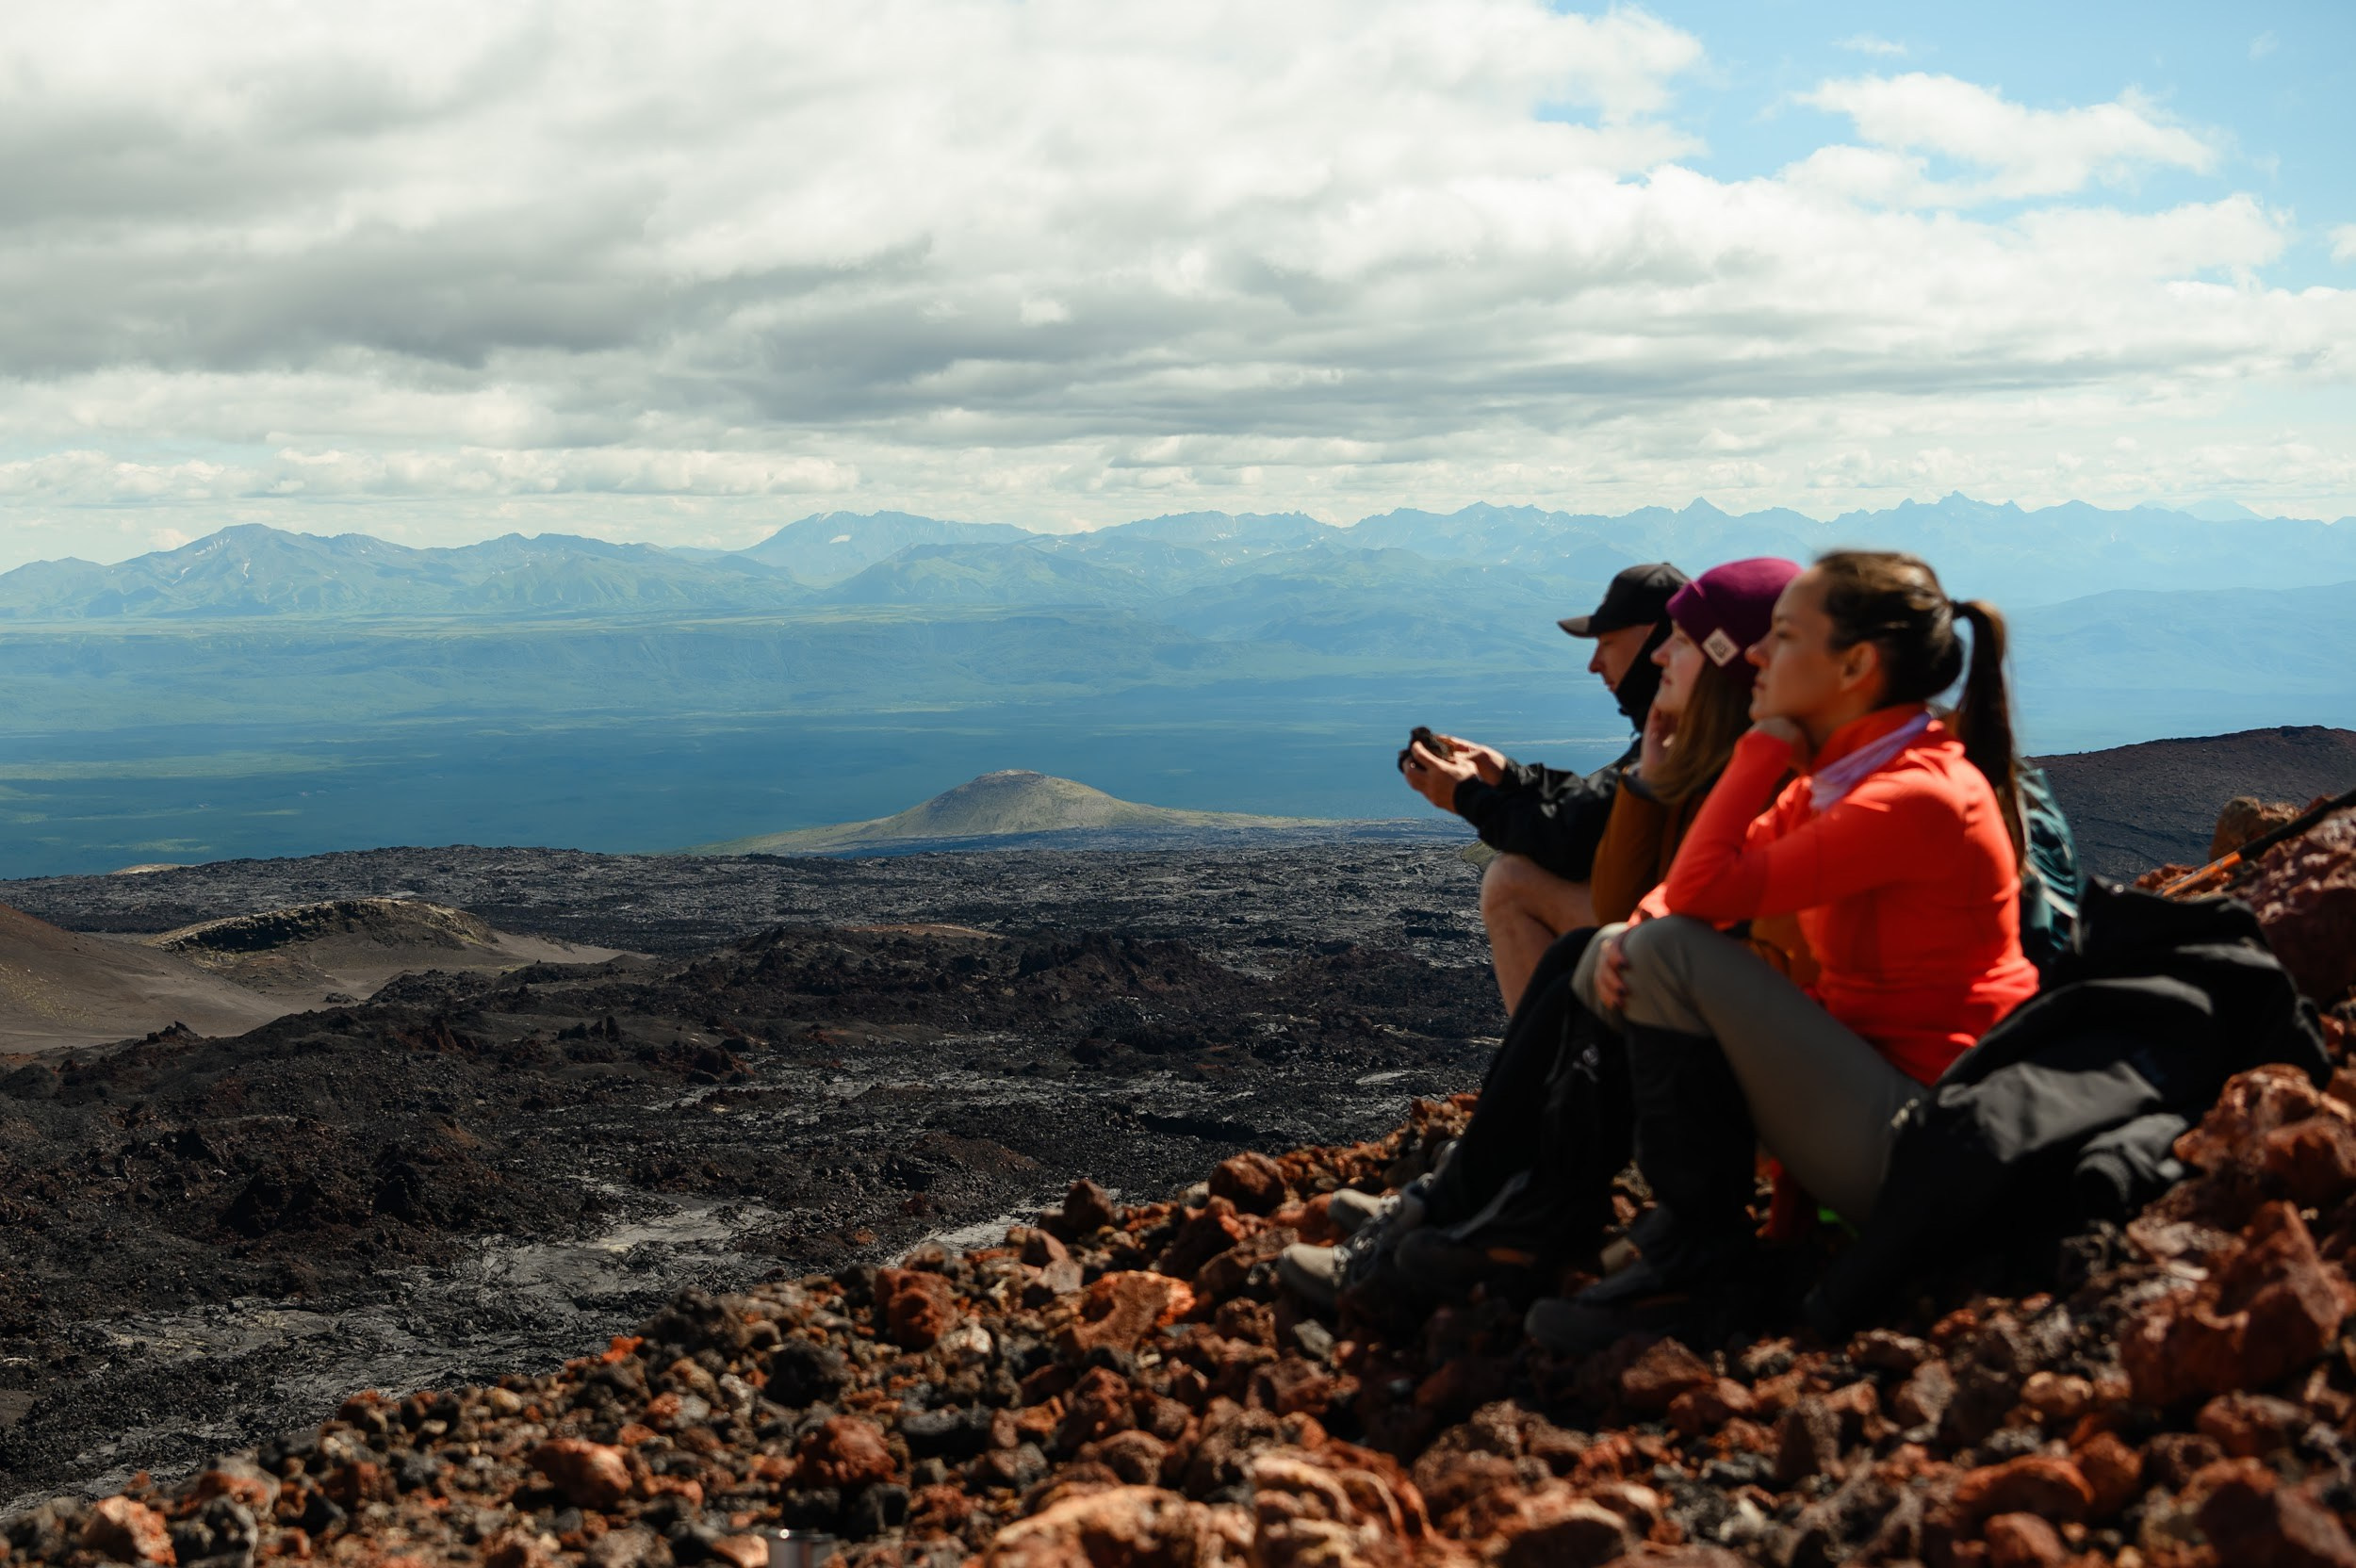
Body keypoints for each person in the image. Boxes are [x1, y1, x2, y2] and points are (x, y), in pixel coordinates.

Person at [1528, 550, 2040, 1349]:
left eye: (1786, 637)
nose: (1758, 654)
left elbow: (1697, 891)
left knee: (1664, 957)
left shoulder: (1911, 797)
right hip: (1867, 1103)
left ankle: (1698, 1274)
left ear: (1857, 665)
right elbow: (1663, 899)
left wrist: (1762, 744)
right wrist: (1632, 928)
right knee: (1613, 952)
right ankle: (1567, 1222)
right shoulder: (1841, 778)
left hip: (1922, 1147)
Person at [1281, 560, 1800, 1308]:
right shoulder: (1714, 748)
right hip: (1763, 1037)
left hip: (1806, 1088)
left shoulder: (1766, 768)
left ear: (1721, 657)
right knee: (1584, 953)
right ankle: (1497, 1200)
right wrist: (1523, 780)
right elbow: (1613, 850)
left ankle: (1508, 1205)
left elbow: (1607, 860)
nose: (1611, 661)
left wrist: (1474, 797)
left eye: (1666, 643)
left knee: (1570, 926)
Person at [1402, 563, 1688, 1011]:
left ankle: (1545, 1075)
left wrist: (1465, 797)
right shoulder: (1679, 725)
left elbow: (1573, 838)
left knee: (1510, 881)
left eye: (1607, 643)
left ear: (1655, 640)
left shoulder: (1681, 734)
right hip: (1679, 935)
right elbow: (1601, 803)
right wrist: (1509, 775)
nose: (1594, 663)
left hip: (1675, 946)